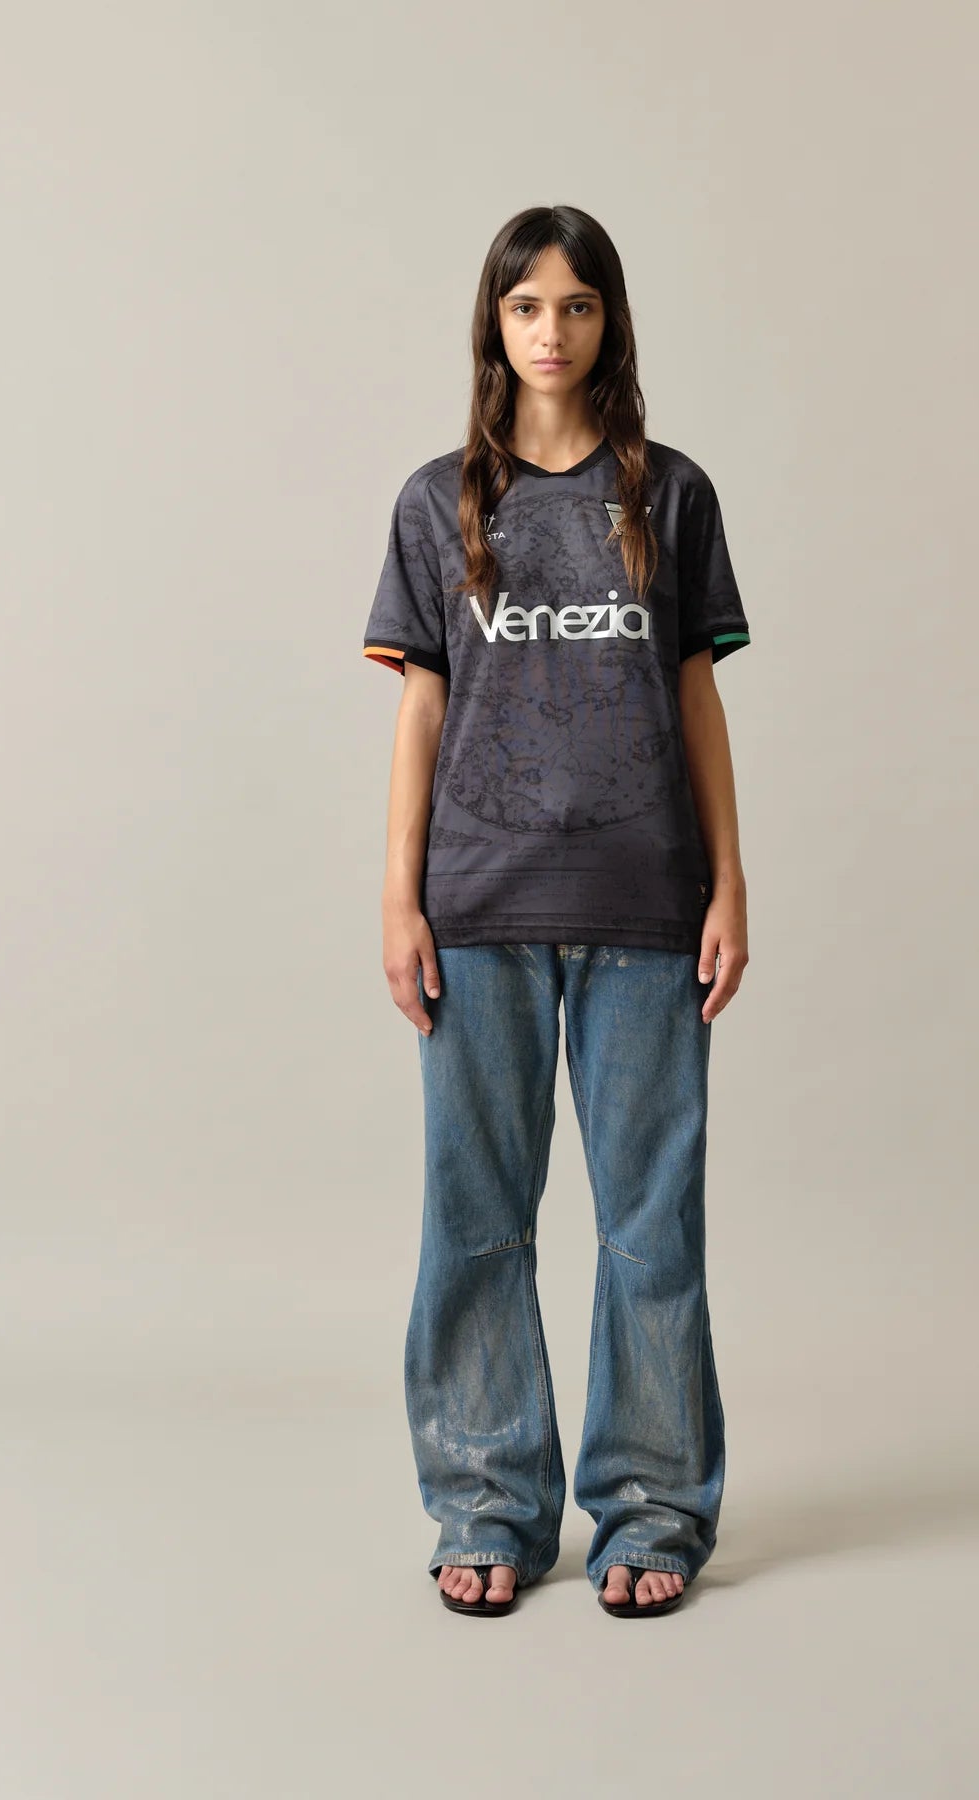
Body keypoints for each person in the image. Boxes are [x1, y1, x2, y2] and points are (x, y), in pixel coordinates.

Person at [364, 205, 751, 1619]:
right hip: (476, 902)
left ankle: (652, 1509)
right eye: (525, 305)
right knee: (475, 1220)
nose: (551, 330)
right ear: (495, 322)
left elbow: (696, 694)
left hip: (648, 899)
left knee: (651, 1224)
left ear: (610, 323)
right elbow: (423, 708)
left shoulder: (671, 496)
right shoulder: (439, 502)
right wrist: (398, 896)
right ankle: (487, 1503)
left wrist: (731, 878)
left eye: (577, 305)